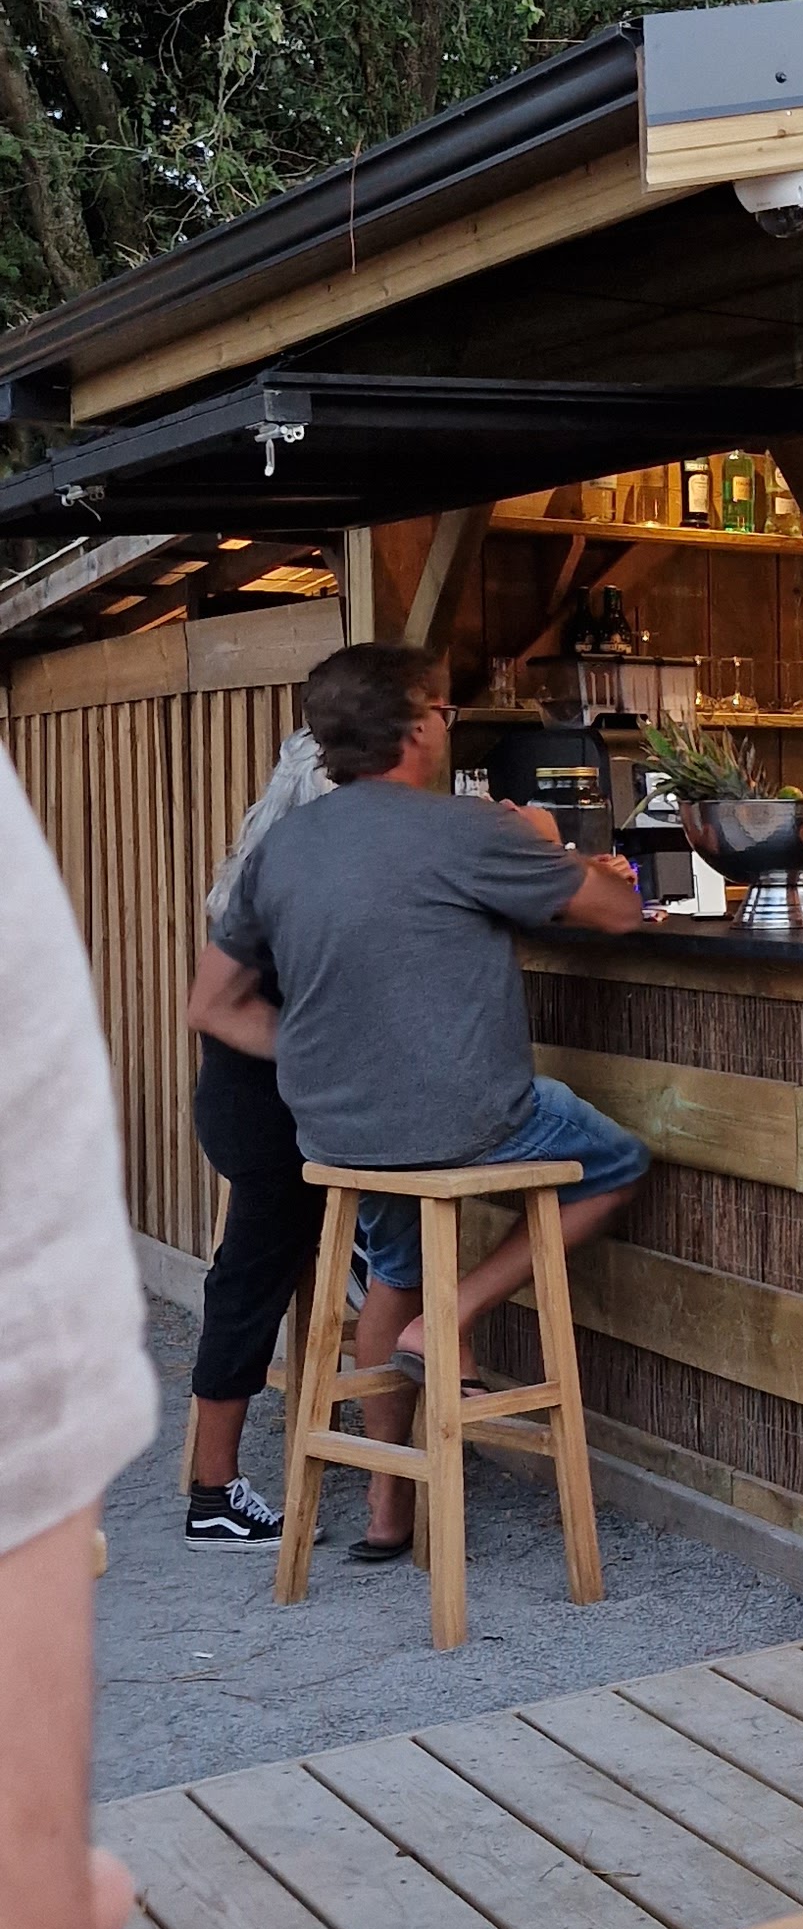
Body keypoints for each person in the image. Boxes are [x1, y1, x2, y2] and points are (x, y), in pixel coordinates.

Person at [194, 644, 650, 1559]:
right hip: (468, 1121)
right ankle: (450, 1317)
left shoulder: (284, 847)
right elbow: (619, 911)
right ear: (414, 725)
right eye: (445, 711)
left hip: (340, 1134)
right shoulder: (466, 830)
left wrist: (329, 1051)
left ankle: (386, 1509)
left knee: (396, 1260)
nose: (449, 725)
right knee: (619, 1163)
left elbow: (213, 1004)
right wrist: (547, 842)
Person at [0, 746, 158, 1929]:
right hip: (436, 1141)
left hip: (311, 1130)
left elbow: (224, 998)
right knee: (597, 1159)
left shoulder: (279, 850)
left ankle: (374, 1399)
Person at [177, 720, 331, 1544]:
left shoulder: (265, 864)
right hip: (270, 1116)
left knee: (293, 1263)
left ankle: (355, 1432)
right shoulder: (291, 880)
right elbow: (211, 1008)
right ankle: (214, 1493)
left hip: (259, 1107)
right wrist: (331, 1051)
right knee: (251, 1279)